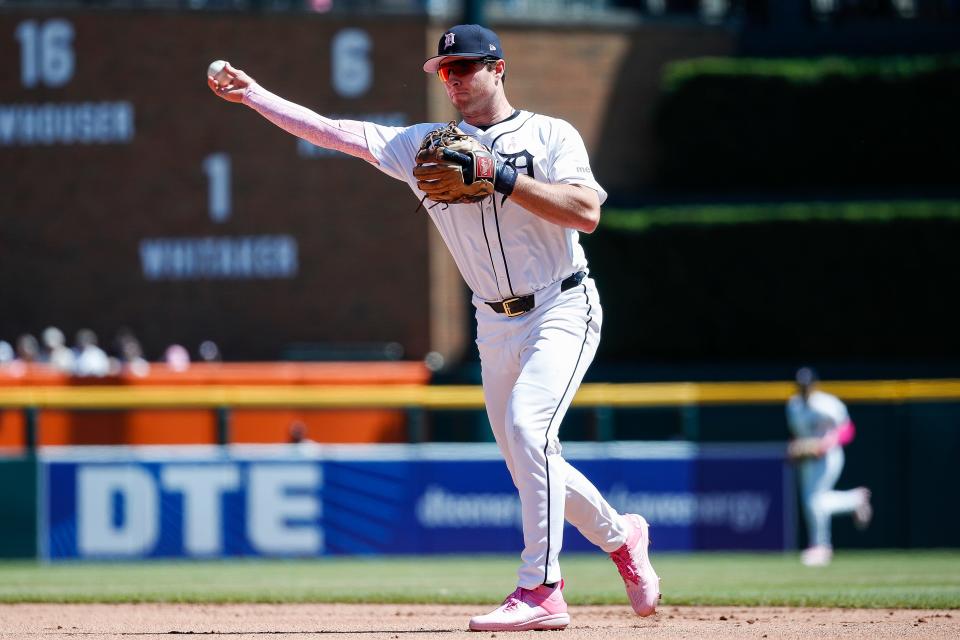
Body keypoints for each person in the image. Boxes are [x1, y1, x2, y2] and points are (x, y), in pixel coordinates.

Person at [208, 23, 659, 632]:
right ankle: (622, 537)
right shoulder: (423, 147)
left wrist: (499, 176)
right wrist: (257, 95)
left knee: (529, 434)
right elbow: (335, 132)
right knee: (529, 456)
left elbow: (586, 213)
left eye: (467, 67)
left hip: (561, 306)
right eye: (445, 71)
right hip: (491, 322)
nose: (455, 79)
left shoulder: (551, 134)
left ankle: (542, 589)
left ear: (498, 69)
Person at [786, 366, 873, 567]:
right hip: (808, 459)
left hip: (829, 457)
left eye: (806, 385)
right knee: (812, 502)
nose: (804, 389)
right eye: (801, 386)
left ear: (813, 385)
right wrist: (795, 448)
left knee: (815, 501)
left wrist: (827, 444)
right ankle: (855, 500)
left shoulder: (827, 404)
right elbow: (797, 436)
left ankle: (822, 547)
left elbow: (848, 429)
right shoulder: (793, 406)